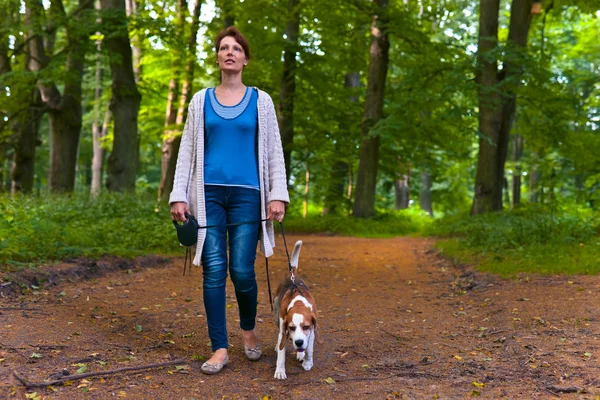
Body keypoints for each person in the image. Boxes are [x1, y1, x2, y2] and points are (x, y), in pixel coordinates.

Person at [169, 26, 289, 375]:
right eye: (224, 47)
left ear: (245, 59)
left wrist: (277, 195)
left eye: (236, 48)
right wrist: (179, 195)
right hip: (207, 195)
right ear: (218, 57)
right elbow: (187, 150)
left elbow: (274, 152)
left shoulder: (261, 101)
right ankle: (219, 348)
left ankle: (248, 329)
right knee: (214, 271)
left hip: (248, 196)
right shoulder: (200, 100)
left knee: (241, 269)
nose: (230, 52)